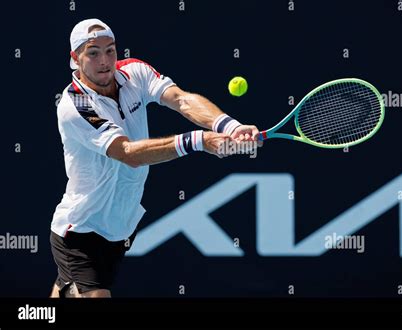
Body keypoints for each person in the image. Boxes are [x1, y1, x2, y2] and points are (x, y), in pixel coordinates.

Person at [50, 18, 261, 298]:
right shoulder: (74, 106)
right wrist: (198, 141)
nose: (105, 61)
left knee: (68, 290)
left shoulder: (135, 71)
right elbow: (126, 153)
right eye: (93, 52)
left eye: (110, 50)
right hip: (80, 229)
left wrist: (229, 126)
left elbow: (182, 100)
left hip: (120, 227)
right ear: (75, 58)